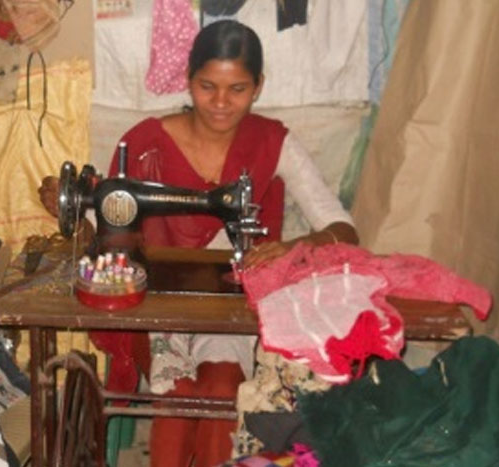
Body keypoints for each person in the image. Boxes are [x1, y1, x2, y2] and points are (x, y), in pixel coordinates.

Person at [39, 19, 358, 467]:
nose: (222, 103)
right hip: (155, 304)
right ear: (188, 80)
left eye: (238, 89)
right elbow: (100, 229)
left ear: (258, 86)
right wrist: (69, 207)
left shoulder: (272, 142)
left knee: (222, 387)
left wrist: (296, 245)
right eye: (208, 86)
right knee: (181, 392)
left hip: (230, 304)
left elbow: (342, 227)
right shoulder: (145, 142)